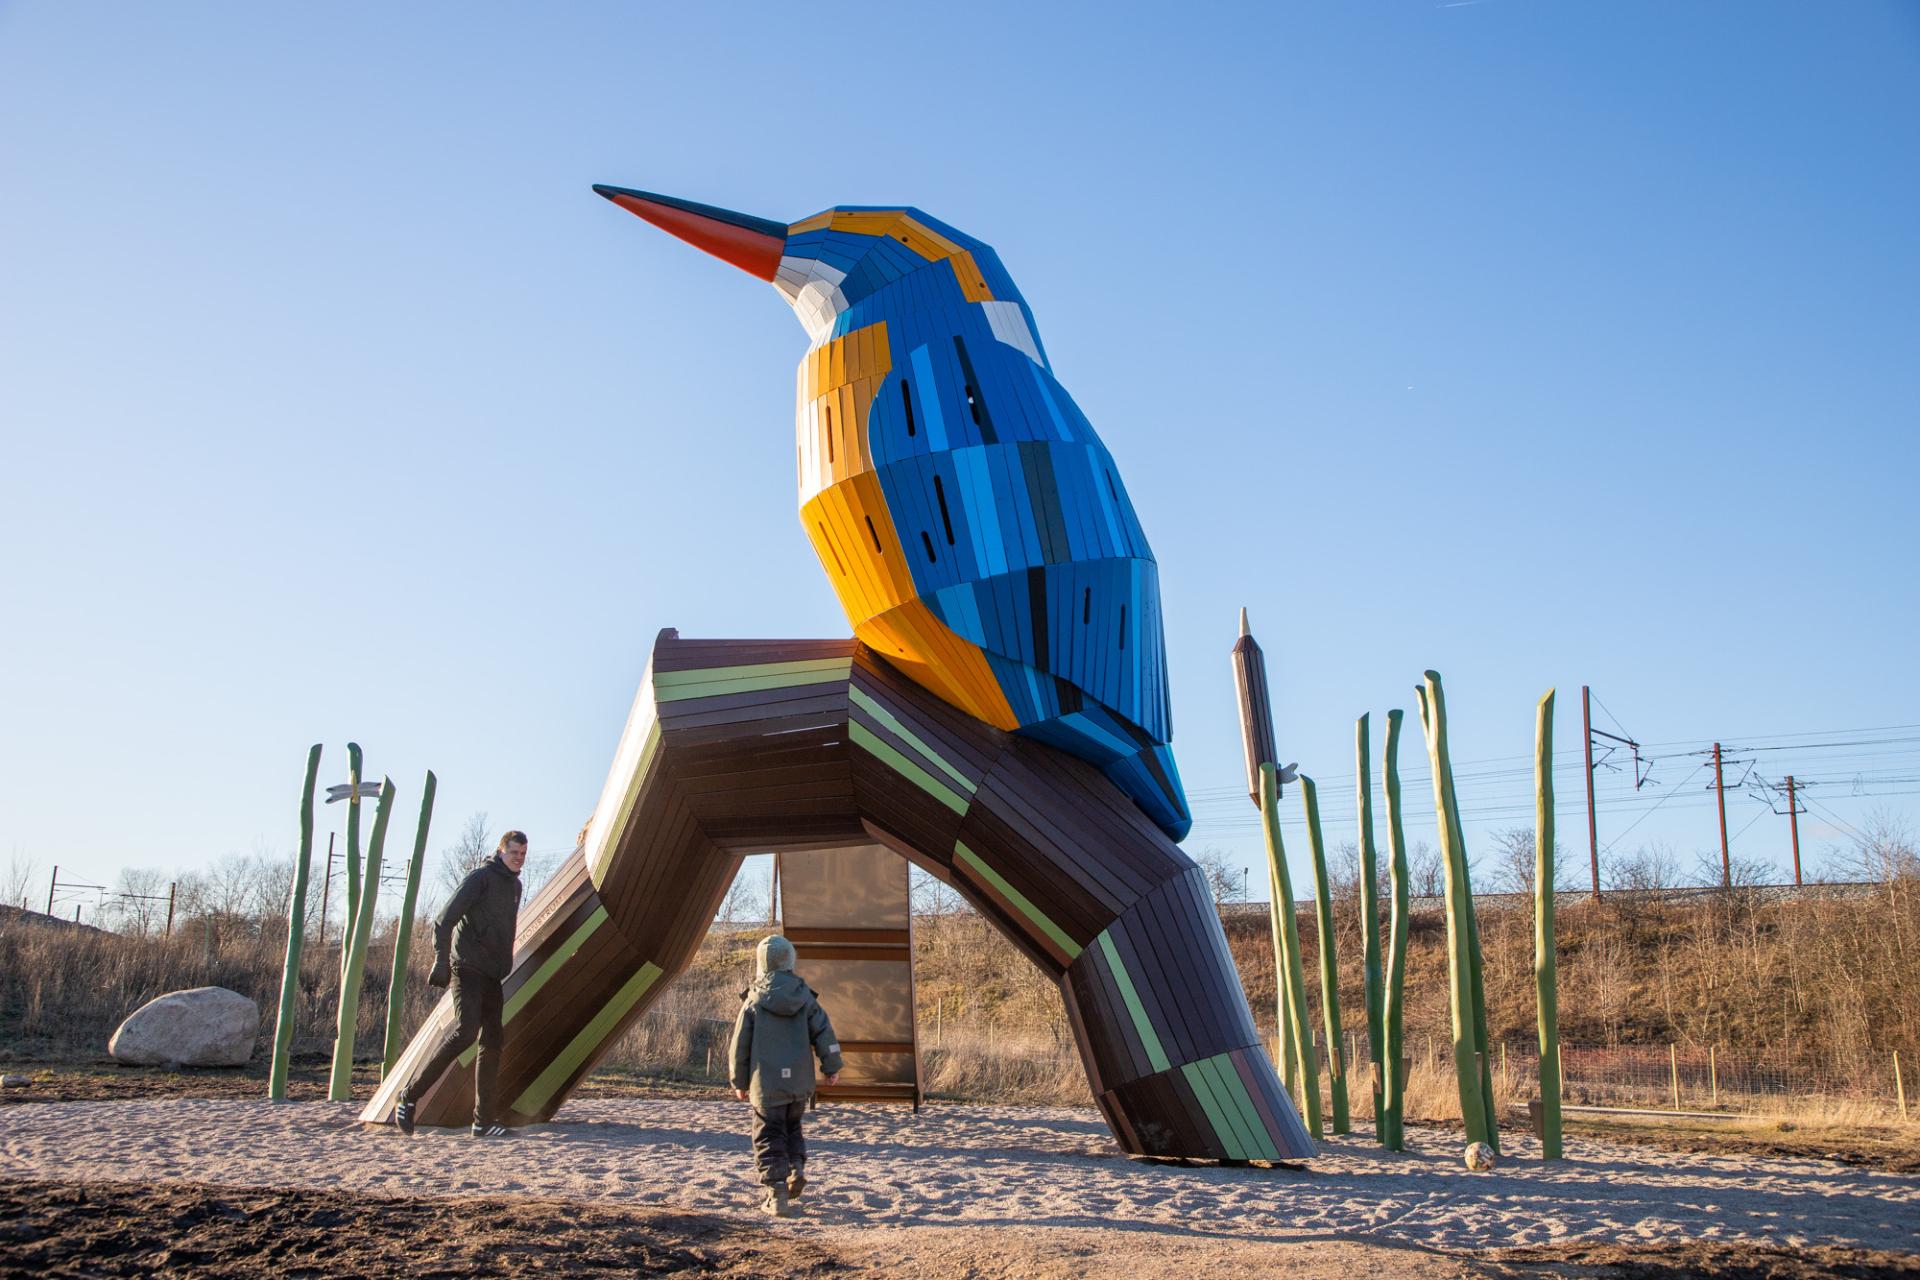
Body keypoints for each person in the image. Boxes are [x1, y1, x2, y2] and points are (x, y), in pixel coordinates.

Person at [394, 830, 527, 1138]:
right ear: (501, 851)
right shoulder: (480, 878)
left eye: (522, 854)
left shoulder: (515, 886)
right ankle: (410, 1095)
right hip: (466, 967)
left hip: (492, 975)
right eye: (513, 853)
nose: (518, 859)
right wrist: (441, 961)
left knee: (493, 1042)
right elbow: (443, 919)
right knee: (466, 1031)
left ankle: (482, 1122)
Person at [729, 934, 843, 1218]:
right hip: (798, 1085)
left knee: (768, 1135)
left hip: (766, 1085)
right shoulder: (805, 998)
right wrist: (832, 1066)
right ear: (790, 961)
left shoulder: (754, 1000)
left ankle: (777, 1192)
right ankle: (796, 1167)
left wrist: (739, 1082)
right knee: (792, 1128)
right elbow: (825, 1033)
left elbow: (739, 1046)